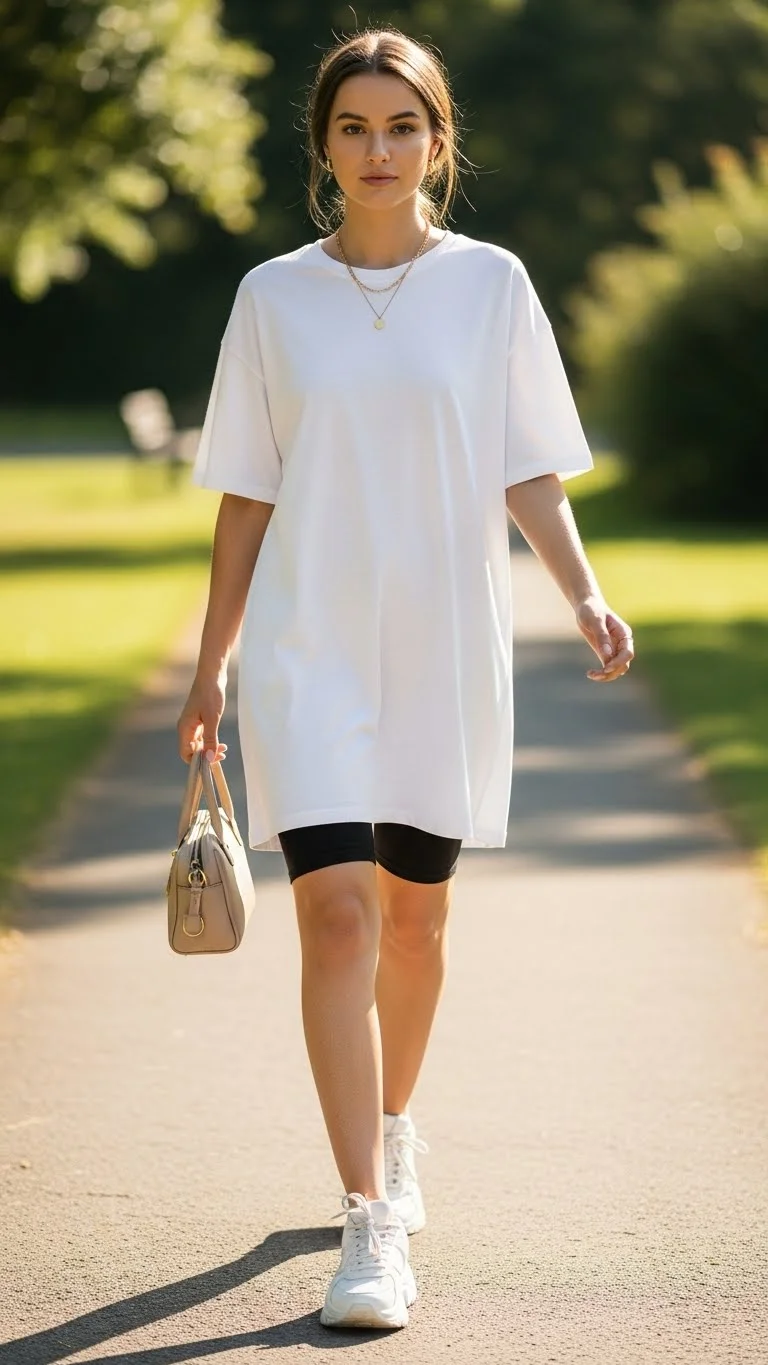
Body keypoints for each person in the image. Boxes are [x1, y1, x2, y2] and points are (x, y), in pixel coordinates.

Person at [177, 25, 634, 1332]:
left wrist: (585, 590)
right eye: (354, 128)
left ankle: (396, 1120)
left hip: (440, 646)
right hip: (307, 648)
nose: (381, 151)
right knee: (336, 919)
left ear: (440, 139)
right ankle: (368, 1223)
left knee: (417, 921)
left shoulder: (492, 286)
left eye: (404, 126)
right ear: (323, 148)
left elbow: (527, 464)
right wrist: (210, 670)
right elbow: (245, 498)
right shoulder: (272, 299)